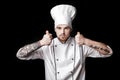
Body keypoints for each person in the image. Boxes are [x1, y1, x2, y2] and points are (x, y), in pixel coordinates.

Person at [16, 4, 113, 80]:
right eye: (59, 28)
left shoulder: (81, 45)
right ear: (55, 29)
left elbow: (108, 52)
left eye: (66, 28)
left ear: (71, 29)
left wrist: (86, 41)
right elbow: (20, 54)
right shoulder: (47, 46)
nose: (62, 32)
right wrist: (41, 43)